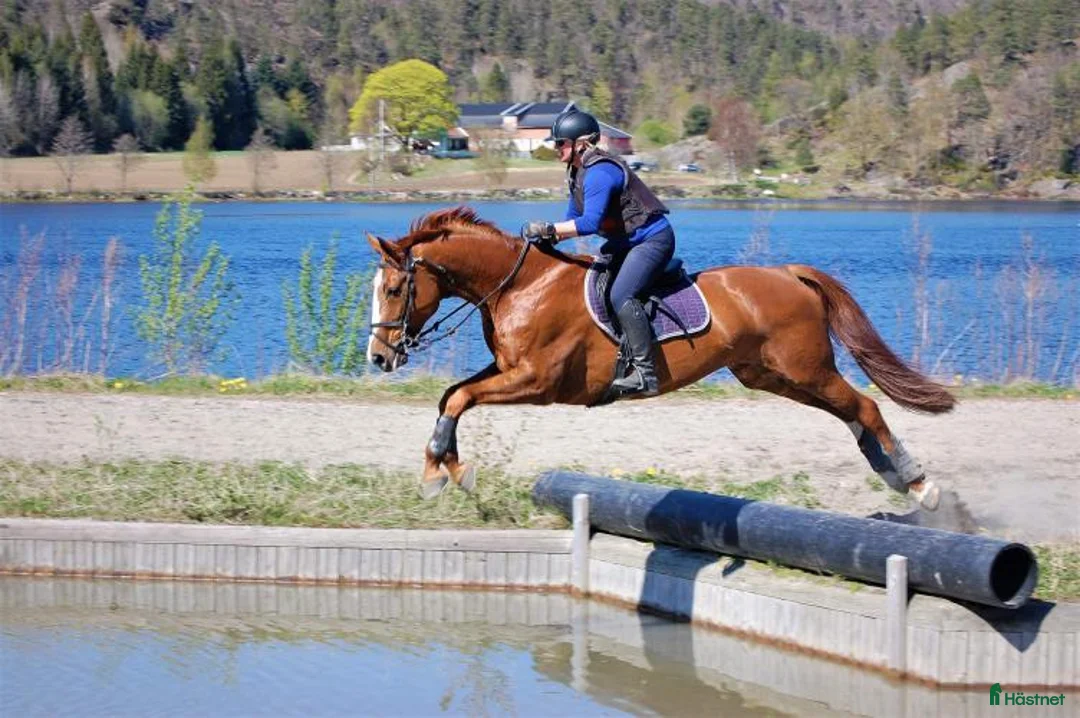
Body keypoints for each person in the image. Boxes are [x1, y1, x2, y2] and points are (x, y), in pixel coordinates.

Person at [522, 109, 674, 397]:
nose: (556, 149)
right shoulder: (577, 173)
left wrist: (549, 229)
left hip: (651, 241)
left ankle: (645, 373)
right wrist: (544, 243)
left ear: (581, 144)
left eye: (560, 143)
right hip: (623, 244)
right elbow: (570, 219)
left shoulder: (601, 173)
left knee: (621, 295)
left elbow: (589, 223)